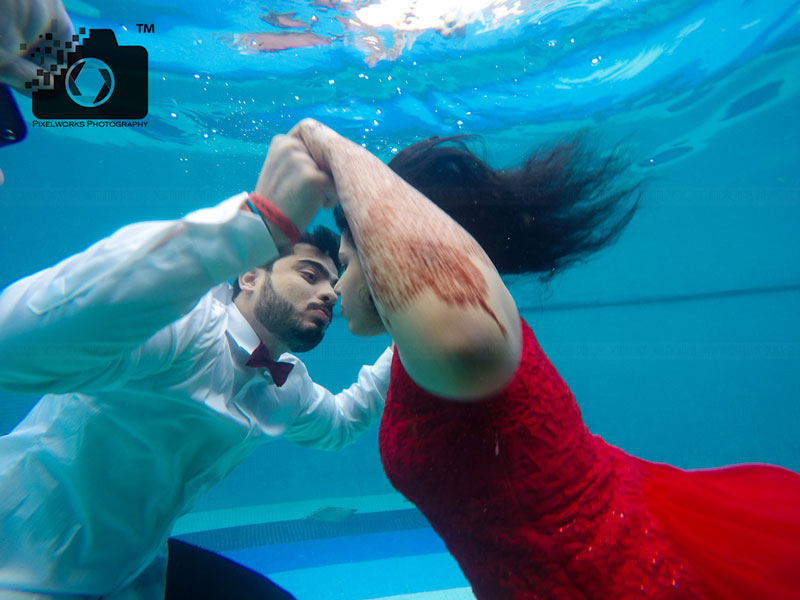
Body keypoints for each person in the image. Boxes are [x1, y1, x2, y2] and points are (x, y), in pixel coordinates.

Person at [288, 118, 800, 599]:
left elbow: (449, 320)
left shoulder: (462, 341)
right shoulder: (413, 349)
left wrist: (326, 142)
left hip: (612, 575)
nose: (337, 285)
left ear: (383, 263)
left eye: (349, 263)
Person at [0, 130, 392, 599]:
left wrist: (408, 341)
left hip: (133, 573)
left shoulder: (288, 386)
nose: (330, 292)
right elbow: (16, 345)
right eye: (309, 275)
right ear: (248, 276)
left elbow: (342, 423)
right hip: (18, 564)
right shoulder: (184, 329)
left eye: (333, 281)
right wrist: (255, 224)